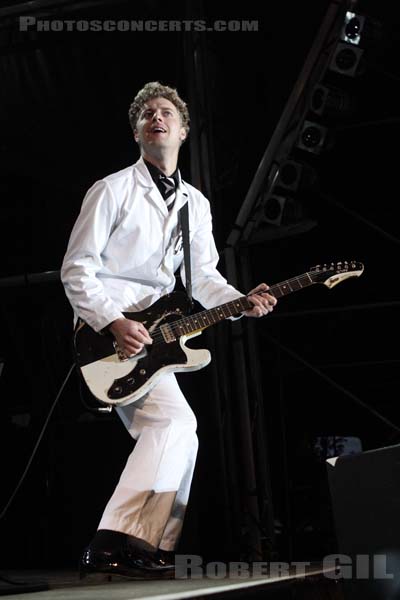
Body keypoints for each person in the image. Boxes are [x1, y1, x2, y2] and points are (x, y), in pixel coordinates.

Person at [61, 81, 277, 580]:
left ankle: (152, 546)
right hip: (109, 333)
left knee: (185, 433)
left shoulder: (195, 205)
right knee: (173, 426)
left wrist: (241, 303)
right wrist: (113, 321)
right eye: (146, 114)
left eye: (166, 113)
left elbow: (204, 278)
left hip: (157, 339)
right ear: (138, 133)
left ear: (182, 131)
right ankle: (112, 541)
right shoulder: (112, 189)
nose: (156, 118)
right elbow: (76, 268)